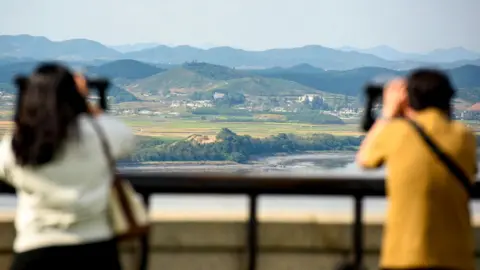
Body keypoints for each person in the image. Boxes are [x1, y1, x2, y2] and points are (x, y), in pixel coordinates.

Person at [0, 62, 135, 269]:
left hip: (35, 247)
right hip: (95, 247)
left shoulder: (17, 144)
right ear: (75, 95)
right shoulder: (100, 134)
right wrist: (86, 104)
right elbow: (126, 138)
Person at [356, 69, 477, 270]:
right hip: (456, 257)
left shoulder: (397, 132)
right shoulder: (465, 136)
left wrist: (388, 113)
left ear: (409, 99)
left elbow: (365, 159)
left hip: (405, 256)